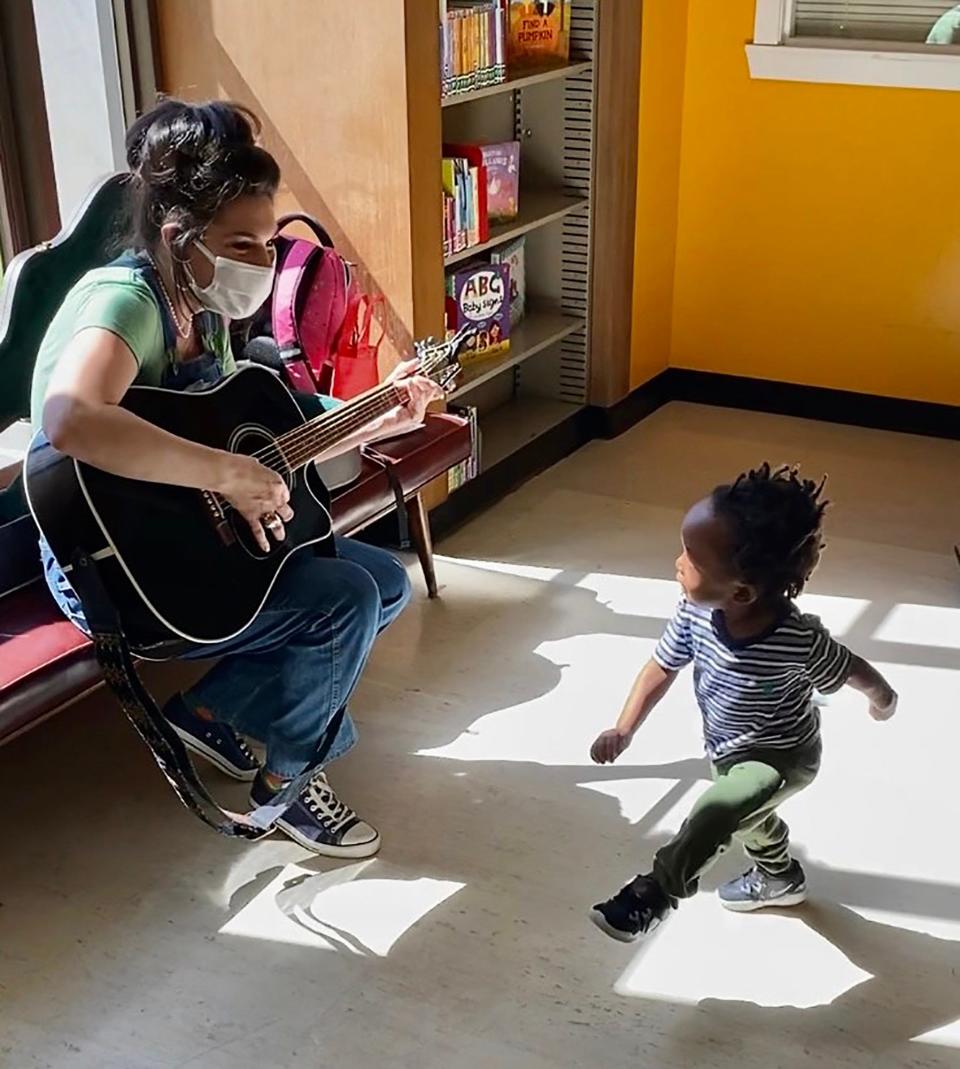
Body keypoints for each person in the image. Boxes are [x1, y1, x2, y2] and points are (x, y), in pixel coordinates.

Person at [31, 98, 444, 858]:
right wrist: (226, 472)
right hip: (109, 566)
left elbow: (251, 431)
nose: (260, 262)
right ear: (175, 235)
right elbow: (71, 420)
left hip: (181, 538)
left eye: (266, 241)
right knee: (343, 599)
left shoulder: (205, 307)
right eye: (241, 243)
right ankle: (287, 783)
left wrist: (375, 415)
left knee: (383, 583)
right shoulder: (127, 302)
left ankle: (211, 714)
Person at [588, 463, 898, 942]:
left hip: (782, 756)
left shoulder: (797, 638)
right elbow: (661, 667)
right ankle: (779, 877)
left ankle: (655, 893)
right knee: (750, 819)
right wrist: (624, 728)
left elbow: (850, 667)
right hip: (727, 749)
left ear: (741, 592)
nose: (677, 562)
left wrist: (883, 699)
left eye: (691, 558)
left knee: (718, 813)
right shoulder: (695, 612)